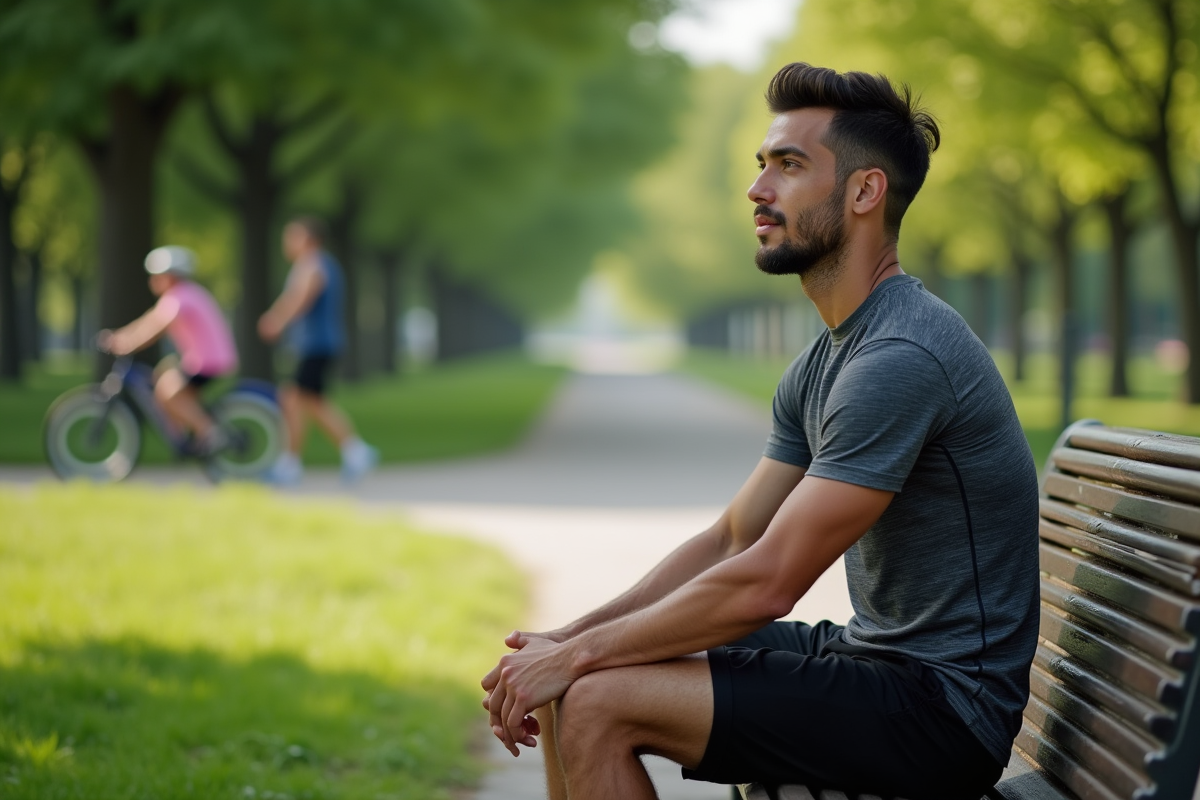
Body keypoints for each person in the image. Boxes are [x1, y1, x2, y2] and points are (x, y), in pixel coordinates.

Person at [480, 63, 1040, 800]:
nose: (757, 189)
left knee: (597, 698)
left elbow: (768, 582)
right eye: (761, 164)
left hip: (943, 711)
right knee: (583, 675)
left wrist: (575, 658)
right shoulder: (830, 356)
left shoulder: (901, 356)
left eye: (789, 165)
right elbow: (731, 540)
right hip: (879, 664)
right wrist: (568, 641)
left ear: (865, 192)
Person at [258, 215, 377, 484]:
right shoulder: (318, 264)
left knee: (295, 398)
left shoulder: (313, 265)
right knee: (309, 401)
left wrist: (277, 320)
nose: (287, 242)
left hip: (315, 344)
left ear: (308, 239)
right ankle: (354, 452)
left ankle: (292, 464)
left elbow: (301, 297)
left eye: (292, 236)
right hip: (315, 344)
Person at [98, 246, 238, 454]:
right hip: (204, 359)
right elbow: (149, 321)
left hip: (207, 362)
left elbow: (156, 329)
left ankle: (210, 432)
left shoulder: (180, 298)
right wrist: (119, 336)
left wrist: (128, 344)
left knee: (168, 394)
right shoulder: (182, 295)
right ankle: (185, 433)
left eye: (156, 276)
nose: (152, 281)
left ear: (170, 276)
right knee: (161, 377)